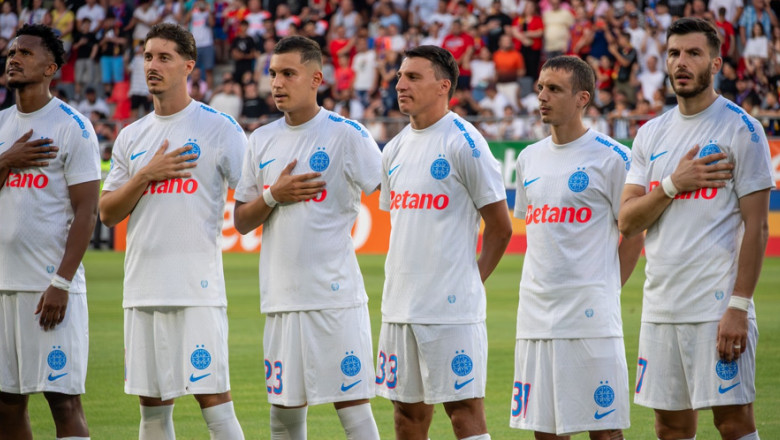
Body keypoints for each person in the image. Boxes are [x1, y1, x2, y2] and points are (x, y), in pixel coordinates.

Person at [618, 18, 774, 440]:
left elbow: (758, 227)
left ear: (716, 62)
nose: (681, 63)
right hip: (660, 308)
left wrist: (738, 307)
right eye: (673, 53)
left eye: (693, 53)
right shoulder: (651, 134)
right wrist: (673, 183)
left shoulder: (742, 129)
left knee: (733, 423)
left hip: (716, 308)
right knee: (669, 427)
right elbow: (628, 220)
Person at [98, 23, 246, 440]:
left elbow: (251, 194)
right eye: (147, 56)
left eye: (164, 57)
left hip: (196, 290)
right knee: (152, 413)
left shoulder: (220, 128)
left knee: (215, 405)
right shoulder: (132, 136)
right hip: (142, 289)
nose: (152, 65)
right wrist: (146, 174)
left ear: (188, 66)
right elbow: (108, 212)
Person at [232, 35, 382, 440]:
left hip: (334, 298)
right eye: (272, 74)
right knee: (283, 414)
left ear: (316, 78)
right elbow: (242, 221)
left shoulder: (347, 134)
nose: (276, 83)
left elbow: (388, 199)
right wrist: (272, 195)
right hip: (281, 299)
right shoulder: (260, 140)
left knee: (353, 410)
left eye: (288, 74)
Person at [376, 45, 512, 440]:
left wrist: (471, 279)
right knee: (406, 415)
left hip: (450, 310)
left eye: (413, 77)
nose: (400, 85)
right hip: (399, 305)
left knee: (464, 413)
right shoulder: (396, 147)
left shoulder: (464, 143)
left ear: (443, 86)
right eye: (400, 77)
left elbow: (500, 227)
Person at [511, 55, 643, 440]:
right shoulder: (527, 158)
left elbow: (634, 232)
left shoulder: (613, 157)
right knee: (546, 432)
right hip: (535, 315)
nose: (542, 97)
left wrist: (605, 288)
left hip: (591, 318)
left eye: (554, 89)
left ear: (582, 97)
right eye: (540, 88)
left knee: (603, 430)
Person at [0, 24, 100, 440]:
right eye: (10, 51)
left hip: (48, 290)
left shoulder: (71, 127)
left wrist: (61, 281)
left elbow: (87, 211)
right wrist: (7, 159)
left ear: (50, 68)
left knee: (63, 401)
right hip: (3, 287)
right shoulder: (2, 124)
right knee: (6, 403)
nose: (13, 57)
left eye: (24, 52)